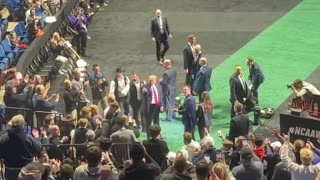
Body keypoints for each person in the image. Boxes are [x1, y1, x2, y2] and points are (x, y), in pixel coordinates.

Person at [0, 115, 42, 180]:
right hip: (26, 171)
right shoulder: (28, 138)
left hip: (10, 171)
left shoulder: (3, 138)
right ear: (23, 125)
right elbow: (38, 147)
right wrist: (36, 138)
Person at [143, 75, 163, 139]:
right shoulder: (146, 86)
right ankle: (149, 136)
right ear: (151, 80)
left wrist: (161, 105)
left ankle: (158, 135)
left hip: (157, 105)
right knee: (149, 122)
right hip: (150, 106)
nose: (156, 81)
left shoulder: (157, 86)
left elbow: (159, 96)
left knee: (156, 121)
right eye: (154, 79)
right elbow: (145, 95)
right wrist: (145, 92)